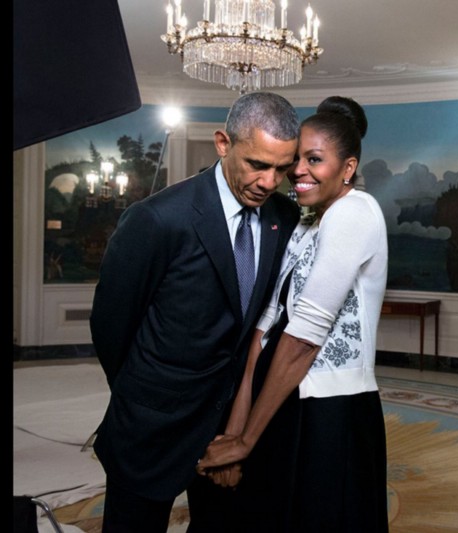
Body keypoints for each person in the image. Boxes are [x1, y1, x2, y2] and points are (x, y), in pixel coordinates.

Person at [89, 91, 302, 533]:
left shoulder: (284, 217)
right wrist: (145, 395)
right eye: (258, 165)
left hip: (228, 430)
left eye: (282, 169)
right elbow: (111, 325)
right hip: (151, 427)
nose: (269, 182)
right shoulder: (158, 219)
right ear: (223, 143)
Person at [196, 96, 390, 532]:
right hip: (281, 397)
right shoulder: (305, 223)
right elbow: (262, 335)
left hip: (331, 411)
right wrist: (237, 432)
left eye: (315, 159)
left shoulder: (356, 212)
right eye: (296, 158)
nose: (298, 170)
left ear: (347, 168)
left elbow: (305, 336)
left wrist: (245, 440)